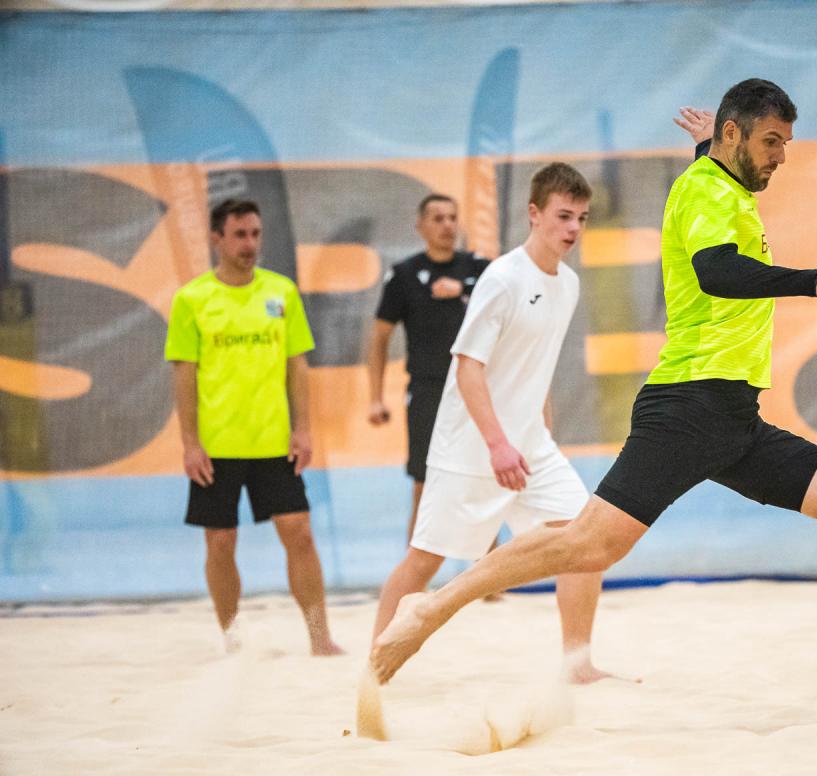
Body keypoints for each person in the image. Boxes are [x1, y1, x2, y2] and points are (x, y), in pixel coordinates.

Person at [372, 79, 817, 709]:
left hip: (734, 417)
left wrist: (711, 144)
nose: (781, 157)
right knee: (588, 544)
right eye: (771, 141)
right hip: (688, 406)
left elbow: (714, 188)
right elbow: (717, 271)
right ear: (734, 134)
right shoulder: (706, 188)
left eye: (786, 144)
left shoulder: (719, 183)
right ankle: (432, 607)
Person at [367, 163, 612, 684]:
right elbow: (468, 368)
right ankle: (374, 667)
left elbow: (536, 366)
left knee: (587, 540)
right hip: (471, 448)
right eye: (563, 216)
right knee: (423, 561)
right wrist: (498, 444)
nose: (573, 228)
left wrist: (540, 432)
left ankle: (578, 665)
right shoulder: (501, 279)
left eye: (582, 218)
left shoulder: (567, 284)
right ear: (534, 214)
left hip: (530, 447)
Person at [165, 198, 343, 656]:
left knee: (300, 532)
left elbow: (296, 366)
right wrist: (190, 443)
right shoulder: (192, 299)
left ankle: (320, 638)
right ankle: (233, 639)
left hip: (274, 441)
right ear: (216, 238)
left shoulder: (281, 292)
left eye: (255, 233)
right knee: (220, 542)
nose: (249, 243)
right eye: (239, 234)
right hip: (218, 445)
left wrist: (303, 429)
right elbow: (184, 375)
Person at [366, 195, 490, 542]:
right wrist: (375, 398)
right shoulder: (404, 275)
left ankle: (489, 572)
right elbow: (379, 338)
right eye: (437, 218)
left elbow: (513, 292)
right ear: (420, 226)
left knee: (480, 485)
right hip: (427, 391)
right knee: (425, 485)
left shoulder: (479, 269)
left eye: (452, 217)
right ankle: (414, 570)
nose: (447, 225)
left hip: (474, 390)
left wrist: (463, 289)